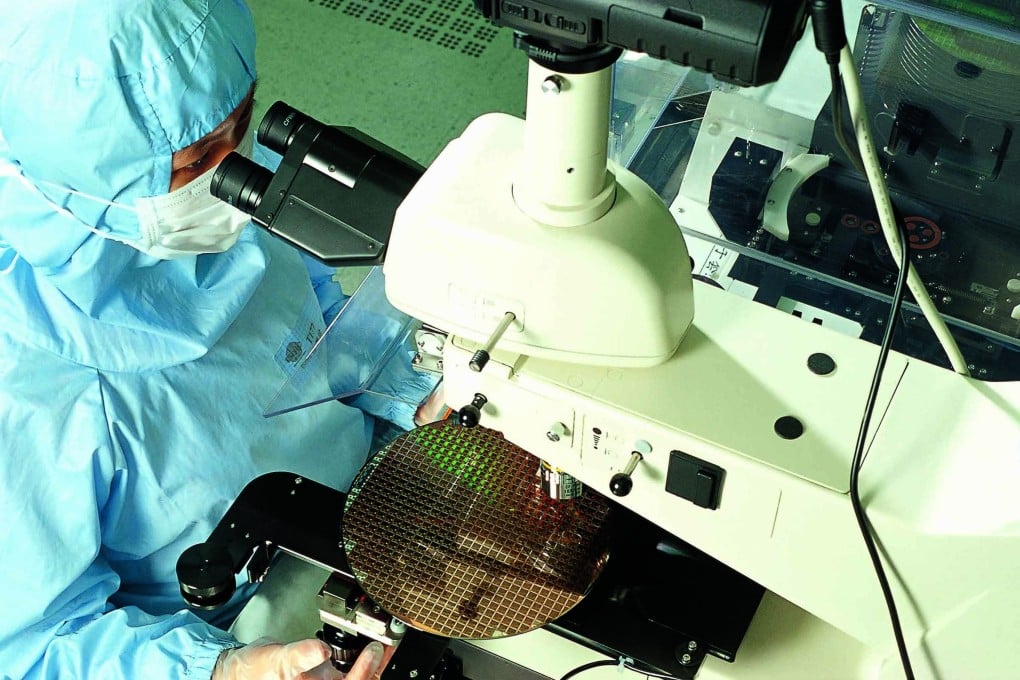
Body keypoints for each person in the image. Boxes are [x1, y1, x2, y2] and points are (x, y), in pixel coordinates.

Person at [0, 0, 427, 677]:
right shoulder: (26, 380)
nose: (231, 178)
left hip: (375, 517)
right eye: (196, 160)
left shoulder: (221, 209)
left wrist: (418, 389)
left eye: (243, 124)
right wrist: (225, 668)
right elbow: (35, 647)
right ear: (87, 183)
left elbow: (321, 334)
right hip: (243, 630)